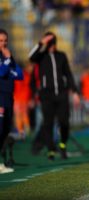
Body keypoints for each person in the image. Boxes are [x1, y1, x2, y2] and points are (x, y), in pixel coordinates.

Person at [29, 31, 80, 160]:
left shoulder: (61, 56)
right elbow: (31, 57)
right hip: (46, 95)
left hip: (61, 94)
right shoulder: (40, 56)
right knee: (48, 123)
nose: (51, 44)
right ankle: (51, 149)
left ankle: (62, 144)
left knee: (64, 122)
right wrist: (41, 43)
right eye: (48, 42)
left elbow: (68, 74)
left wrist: (74, 92)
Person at [0, 28, 23, 173]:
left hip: (9, 96)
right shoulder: (6, 56)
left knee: (5, 130)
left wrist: (8, 62)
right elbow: (1, 72)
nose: (3, 43)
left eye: (5, 41)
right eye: (0, 41)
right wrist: (8, 61)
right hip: (0, 96)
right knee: (0, 129)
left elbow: (20, 74)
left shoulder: (8, 56)